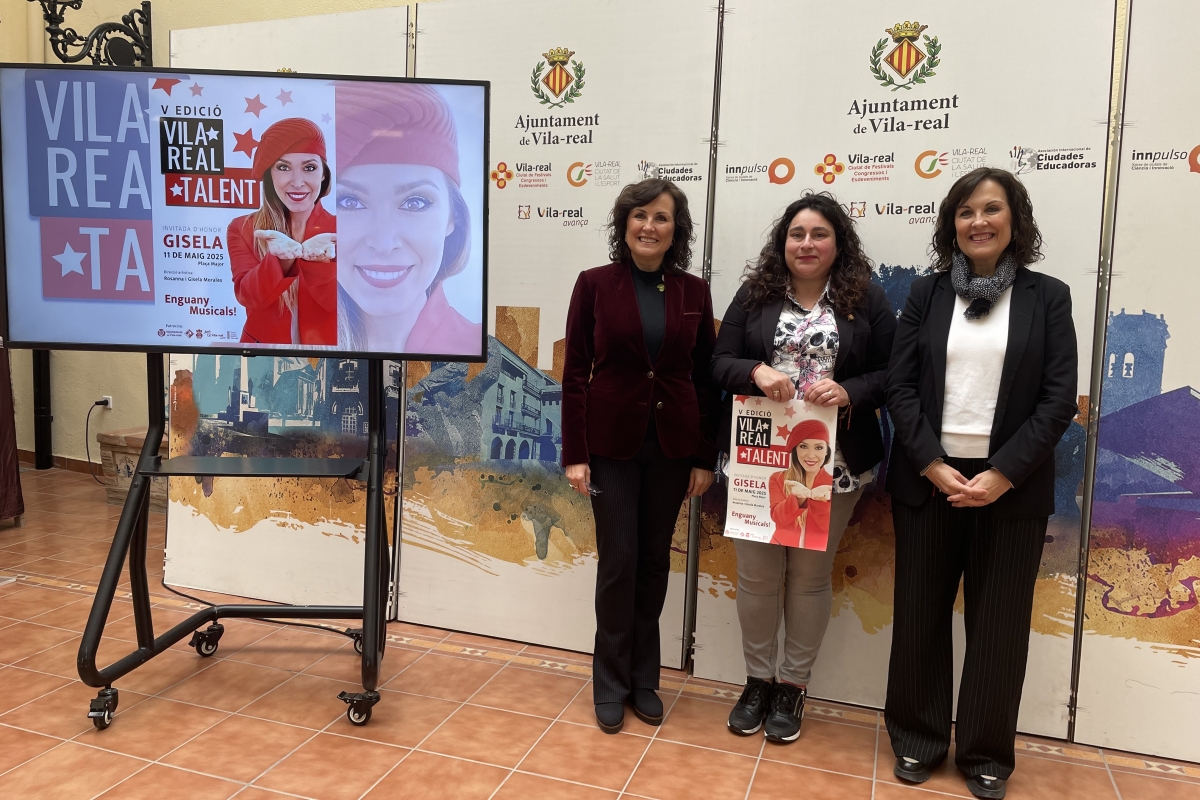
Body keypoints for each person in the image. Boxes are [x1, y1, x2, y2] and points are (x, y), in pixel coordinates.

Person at [884, 167, 1078, 800]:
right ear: (952, 224)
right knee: (920, 617)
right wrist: (930, 463)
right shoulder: (927, 293)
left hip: (1010, 489)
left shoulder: (1049, 297)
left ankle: (987, 752)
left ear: (1015, 221)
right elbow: (900, 386)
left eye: (992, 209)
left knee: (999, 626)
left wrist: (1002, 474)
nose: (979, 221)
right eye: (966, 211)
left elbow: (1058, 400)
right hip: (929, 480)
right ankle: (918, 738)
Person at [711, 192, 896, 743]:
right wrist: (756, 372)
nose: (807, 244)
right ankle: (757, 682)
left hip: (832, 467)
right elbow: (718, 362)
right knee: (757, 577)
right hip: (758, 461)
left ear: (838, 243)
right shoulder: (755, 294)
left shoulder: (866, 299)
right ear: (783, 242)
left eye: (819, 234)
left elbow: (894, 373)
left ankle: (792, 686)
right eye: (797, 234)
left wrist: (850, 389)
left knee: (810, 579)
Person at [561, 178, 720, 734]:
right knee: (618, 561)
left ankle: (644, 678)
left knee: (653, 562)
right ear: (624, 224)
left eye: (662, 218)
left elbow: (705, 378)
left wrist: (704, 455)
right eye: (640, 216)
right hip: (610, 446)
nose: (649, 226)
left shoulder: (693, 292)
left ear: (676, 230)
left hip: (673, 446)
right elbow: (575, 372)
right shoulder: (595, 284)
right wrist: (575, 454)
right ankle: (609, 682)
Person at [333, 82, 480, 354]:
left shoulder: (487, 356)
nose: (383, 243)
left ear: (453, 217)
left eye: (415, 202)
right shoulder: (272, 345)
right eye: (349, 202)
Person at [227, 117, 337, 345]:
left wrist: (322, 265)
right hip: (261, 358)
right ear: (270, 173)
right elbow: (248, 297)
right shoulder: (243, 228)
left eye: (309, 168)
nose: (297, 182)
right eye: (283, 167)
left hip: (327, 358)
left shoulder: (342, 231)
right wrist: (280, 261)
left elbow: (347, 311)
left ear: (324, 173)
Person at [768, 420, 834, 549]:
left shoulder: (831, 484)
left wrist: (821, 502)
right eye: (803, 446)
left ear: (827, 451)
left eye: (819, 447)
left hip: (816, 549)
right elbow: (778, 518)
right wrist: (797, 499)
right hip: (779, 545)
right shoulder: (778, 478)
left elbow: (828, 528)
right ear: (796, 450)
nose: (811, 455)